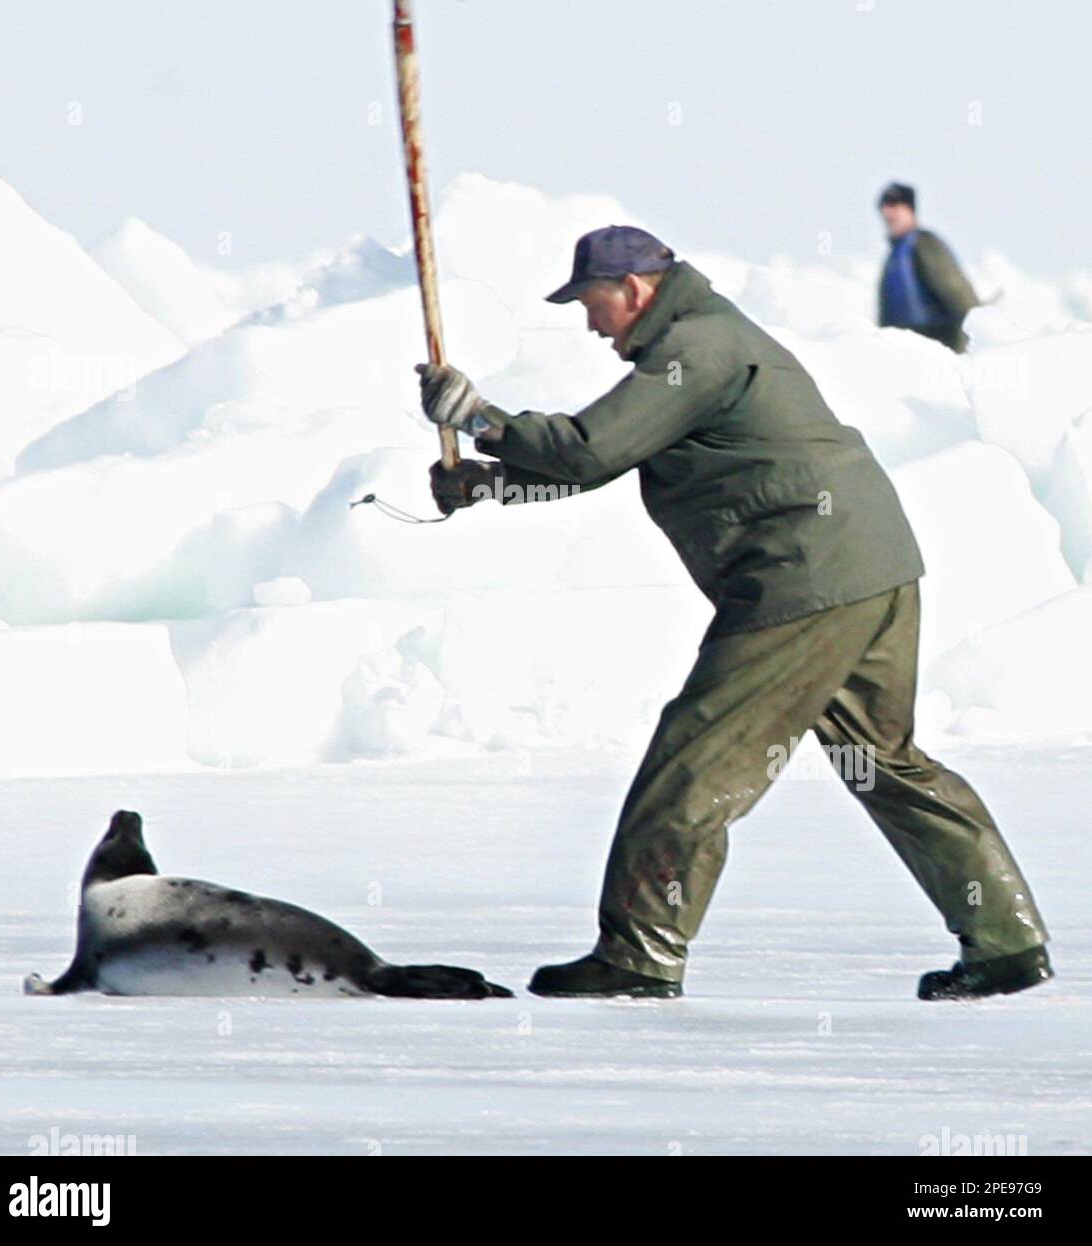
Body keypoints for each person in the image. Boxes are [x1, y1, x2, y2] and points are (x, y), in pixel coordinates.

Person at [416, 225, 1051, 1001]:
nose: (588, 322)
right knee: (885, 762)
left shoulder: (698, 348)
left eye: (591, 302)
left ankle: (638, 956)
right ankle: (1005, 941)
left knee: (692, 766)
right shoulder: (697, 347)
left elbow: (586, 449)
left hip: (801, 578)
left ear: (635, 288)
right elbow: (596, 465)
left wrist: (482, 417)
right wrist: (486, 483)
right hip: (869, 570)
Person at [877, 182, 980, 352]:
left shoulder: (925, 245)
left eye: (894, 205)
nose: (887, 213)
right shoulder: (894, 256)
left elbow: (957, 292)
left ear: (909, 209)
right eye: (884, 207)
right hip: (904, 352)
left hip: (937, 349)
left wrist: (977, 331)